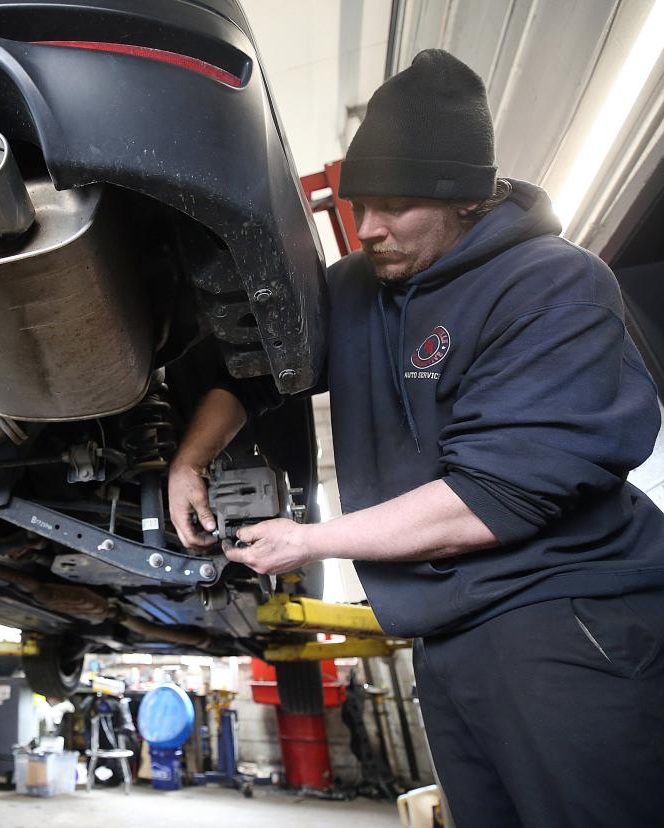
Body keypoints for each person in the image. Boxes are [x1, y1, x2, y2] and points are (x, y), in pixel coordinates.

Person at [168, 49, 664, 827]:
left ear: (469, 198)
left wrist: (311, 541)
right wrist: (189, 461)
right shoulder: (358, 288)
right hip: (443, 635)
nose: (368, 229)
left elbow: (489, 499)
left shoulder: (552, 285)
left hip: (566, 619)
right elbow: (258, 370)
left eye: (396, 206)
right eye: (359, 203)